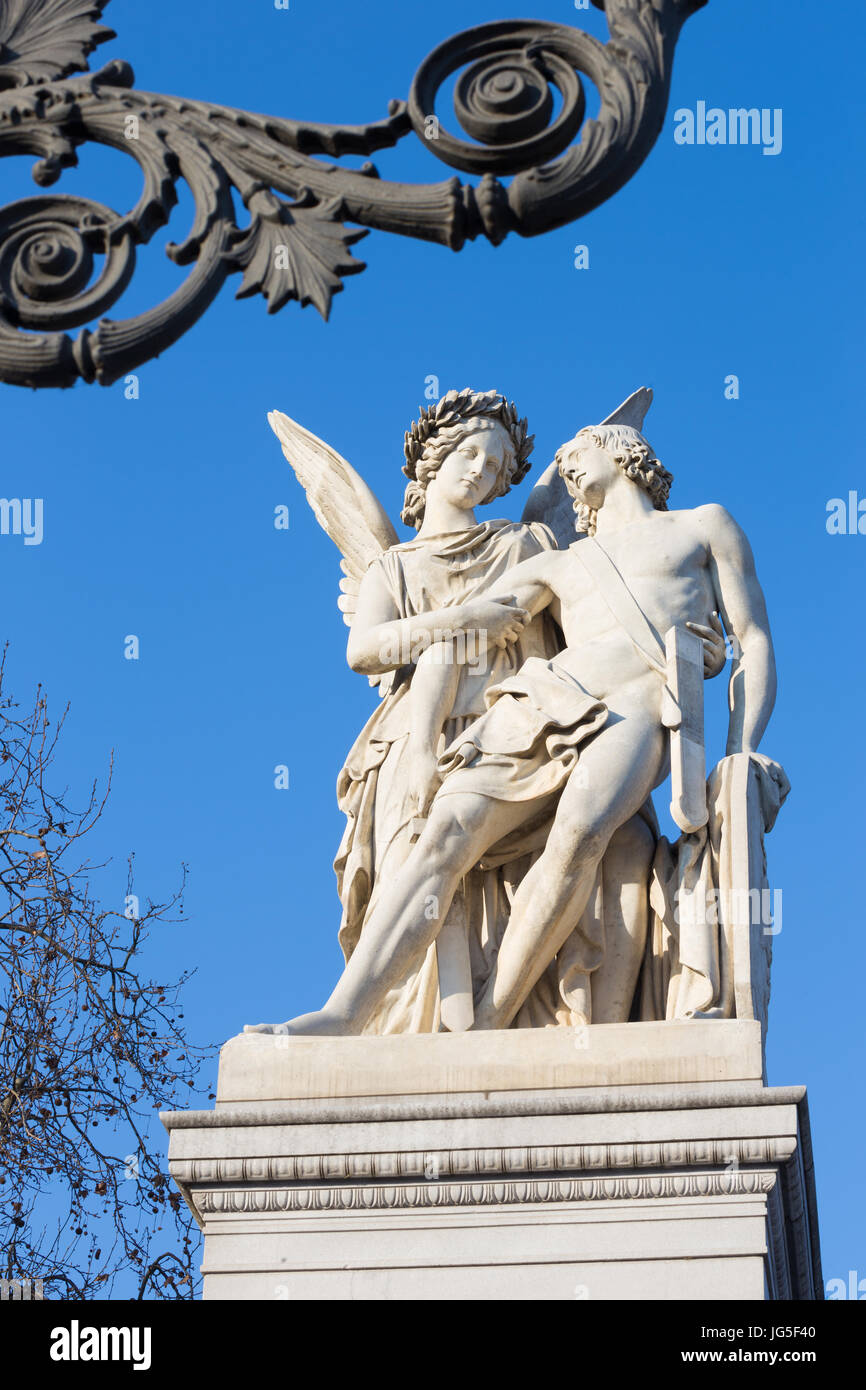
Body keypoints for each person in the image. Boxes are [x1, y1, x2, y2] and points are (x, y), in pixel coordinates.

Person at [253, 418, 762, 1035]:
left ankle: (491, 1019)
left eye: (578, 453)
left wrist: (741, 750)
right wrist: (422, 741)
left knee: (579, 834)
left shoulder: (703, 525)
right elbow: (460, 636)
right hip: (545, 697)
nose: (568, 470)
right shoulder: (560, 561)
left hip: (636, 704)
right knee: (444, 832)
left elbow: (752, 643)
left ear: (623, 449)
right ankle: (343, 1013)